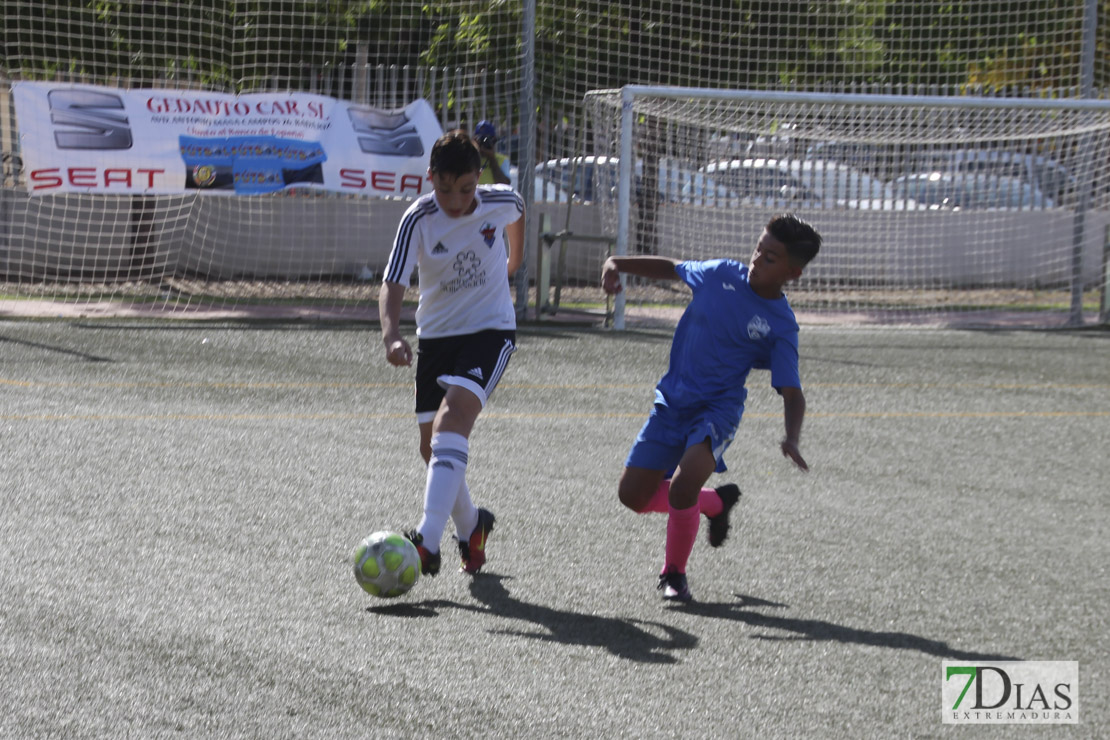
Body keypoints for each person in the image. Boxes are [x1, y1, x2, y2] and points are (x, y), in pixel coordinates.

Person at [600, 213, 822, 602]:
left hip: (716, 411)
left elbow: (792, 392)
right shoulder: (720, 273)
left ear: (793, 272)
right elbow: (672, 268)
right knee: (632, 497)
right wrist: (617, 263)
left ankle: (674, 574)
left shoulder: (781, 325)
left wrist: (792, 437)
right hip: (671, 402)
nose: (756, 259)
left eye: (770, 258)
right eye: (758, 248)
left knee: (685, 482)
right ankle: (715, 503)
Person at [379, 129, 525, 577]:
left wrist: (513, 263)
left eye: (465, 189)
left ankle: (426, 540)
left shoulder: (500, 201)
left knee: (452, 420)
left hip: (490, 330)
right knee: (433, 447)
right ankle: (471, 526)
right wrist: (392, 335)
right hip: (437, 337)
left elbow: (517, 214)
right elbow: (393, 282)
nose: (455, 200)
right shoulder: (418, 219)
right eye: (444, 189)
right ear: (430, 178)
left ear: (477, 179)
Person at [474, 120, 512, 186]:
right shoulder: (470, 159)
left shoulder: (502, 160)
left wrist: (492, 159)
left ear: (494, 140)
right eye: (481, 139)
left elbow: (505, 185)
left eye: (486, 139)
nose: (483, 143)